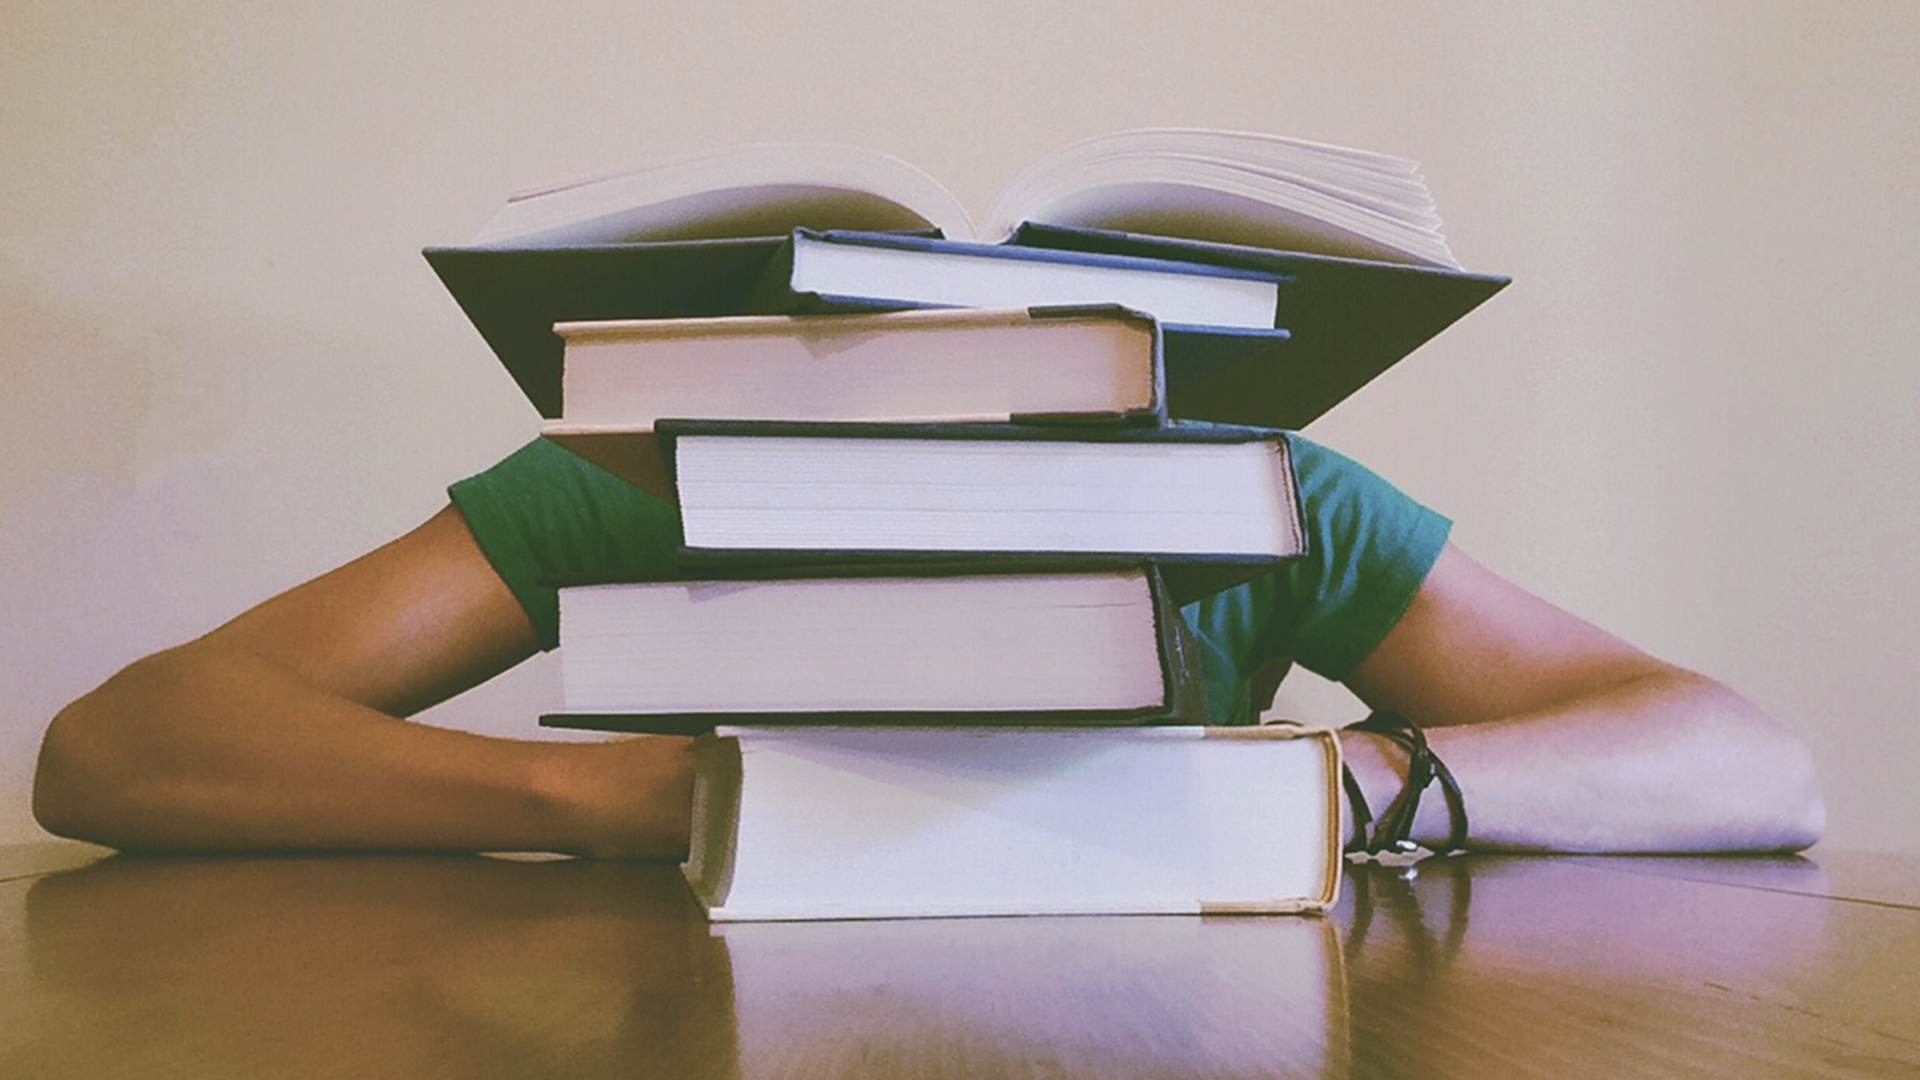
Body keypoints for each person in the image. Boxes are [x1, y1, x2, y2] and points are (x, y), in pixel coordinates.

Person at [32, 434, 1824, 859]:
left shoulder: (1256, 499)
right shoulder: (649, 478)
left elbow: (1750, 763)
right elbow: (116, 747)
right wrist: (643, 800)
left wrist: (1341, 785)